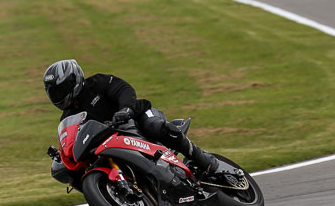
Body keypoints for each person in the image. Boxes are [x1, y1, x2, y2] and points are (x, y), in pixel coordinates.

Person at [44, 59, 218, 183]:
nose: (59, 96)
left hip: (137, 117)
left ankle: (202, 158)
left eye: (62, 90)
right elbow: (72, 136)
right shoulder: (67, 117)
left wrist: (125, 109)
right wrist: (64, 154)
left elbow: (123, 89)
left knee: (154, 126)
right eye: (55, 93)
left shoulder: (97, 83)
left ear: (74, 81)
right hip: (111, 141)